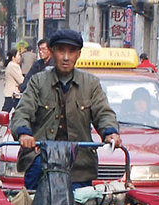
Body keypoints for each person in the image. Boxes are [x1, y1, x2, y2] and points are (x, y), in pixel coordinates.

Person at [11, 29, 121, 190]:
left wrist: (110, 133)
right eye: (61, 50)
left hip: (79, 164)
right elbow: (22, 112)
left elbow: (103, 113)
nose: (66, 57)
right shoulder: (37, 82)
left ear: (78, 54)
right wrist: (24, 133)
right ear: (53, 52)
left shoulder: (91, 84)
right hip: (41, 159)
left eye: (72, 51)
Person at [0, 50, 24, 136]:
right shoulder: (13, 66)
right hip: (13, 93)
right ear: (13, 57)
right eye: (18, 55)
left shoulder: (13, 65)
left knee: (18, 111)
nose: (20, 57)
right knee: (9, 111)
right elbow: (21, 80)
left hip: (13, 93)